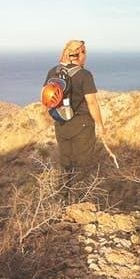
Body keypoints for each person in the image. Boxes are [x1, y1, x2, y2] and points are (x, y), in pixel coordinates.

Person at [43, 40, 106, 186]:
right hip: (82, 126)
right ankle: (79, 202)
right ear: (80, 54)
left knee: (65, 164)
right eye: (85, 53)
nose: (86, 56)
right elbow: (92, 102)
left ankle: (64, 199)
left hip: (61, 124)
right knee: (82, 165)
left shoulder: (53, 71)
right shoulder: (84, 75)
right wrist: (100, 125)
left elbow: (45, 97)